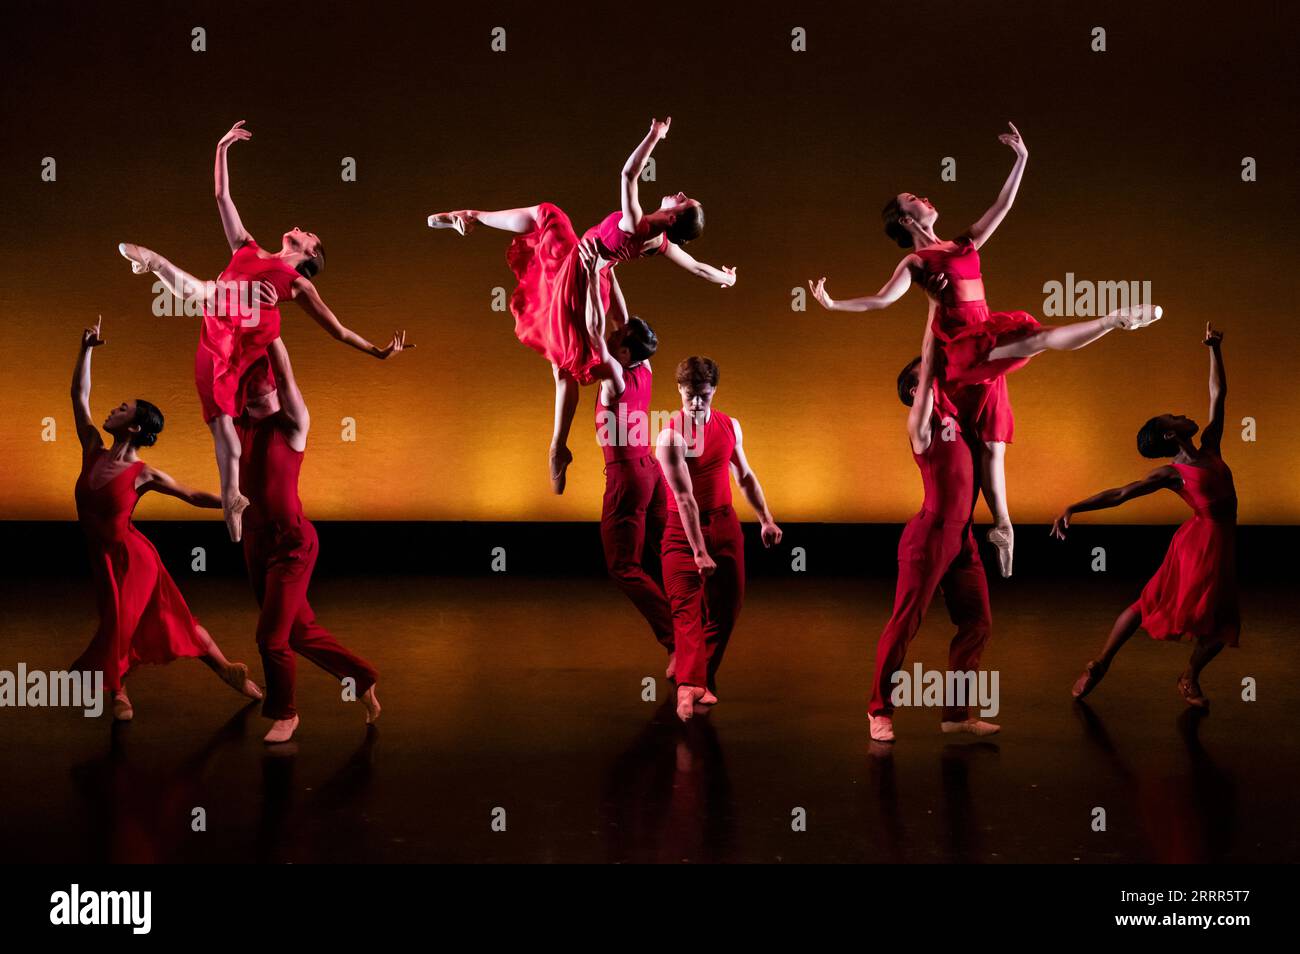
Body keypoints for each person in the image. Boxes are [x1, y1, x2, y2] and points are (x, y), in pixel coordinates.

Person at [809, 123, 1161, 576]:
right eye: (916, 197)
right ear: (903, 218)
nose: (927, 198)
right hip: (964, 348)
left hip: (987, 340)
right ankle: (1115, 319)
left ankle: (1003, 526)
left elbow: (1002, 206)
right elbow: (881, 299)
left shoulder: (962, 242)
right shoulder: (917, 262)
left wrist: (1021, 160)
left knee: (993, 445)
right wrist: (833, 303)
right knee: (1039, 337)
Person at [119, 120, 411, 542]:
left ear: (310, 253)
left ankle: (155, 263)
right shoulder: (248, 247)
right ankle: (234, 494)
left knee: (212, 302)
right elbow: (222, 196)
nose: (300, 226)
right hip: (221, 331)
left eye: (308, 233)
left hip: (251, 337)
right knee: (220, 415)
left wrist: (377, 352)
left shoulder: (298, 283)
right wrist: (222, 147)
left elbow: (337, 330)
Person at [429, 117, 736, 493]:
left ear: (674, 216)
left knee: (567, 362)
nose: (680, 192)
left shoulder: (636, 224)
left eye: (683, 200)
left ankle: (558, 448)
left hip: (582, 279)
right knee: (548, 214)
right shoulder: (657, 242)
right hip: (591, 269)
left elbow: (628, 174)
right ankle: (470, 216)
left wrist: (654, 136)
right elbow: (699, 269)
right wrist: (727, 277)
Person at [68, 317, 262, 721]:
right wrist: (86, 349)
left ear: (135, 427)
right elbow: (79, 396)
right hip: (102, 559)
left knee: (121, 624)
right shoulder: (93, 448)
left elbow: (190, 495)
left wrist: (233, 501)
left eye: (122, 409)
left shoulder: (143, 473)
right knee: (165, 622)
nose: (113, 409)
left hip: (133, 560)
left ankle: (120, 695)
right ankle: (225, 669)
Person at [1053, 324, 1238, 709]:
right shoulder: (1171, 474)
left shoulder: (1210, 445)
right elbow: (1121, 494)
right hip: (1197, 546)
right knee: (1148, 603)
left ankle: (1189, 677)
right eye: (1173, 417)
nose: (1182, 415)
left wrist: (1213, 350)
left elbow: (1218, 394)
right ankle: (1101, 662)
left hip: (1219, 543)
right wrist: (1075, 507)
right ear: (1170, 436)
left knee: (1221, 625)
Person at [868, 295, 999, 743]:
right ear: (914, 389)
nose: (934, 379)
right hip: (928, 536)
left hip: (962, 538)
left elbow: (949, 363)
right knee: (906, 623)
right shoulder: (920, 423)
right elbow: (929, 362)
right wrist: (932, 308)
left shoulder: (957, 422)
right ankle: (879, 710)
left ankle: (957, 713)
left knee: (977, 622)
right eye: (923, 380)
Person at [237, 338, 381, 743]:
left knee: (270, 638)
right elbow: (216, 381)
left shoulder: (293, 424)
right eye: (250, 398)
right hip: (255, 543)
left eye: (262, 397)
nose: (256, 403)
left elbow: (285, 373)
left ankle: (286, 714)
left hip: (293, 545)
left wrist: (273, 332)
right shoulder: (241, 423)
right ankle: (362, 677)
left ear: (275, 395)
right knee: (298, 632)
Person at [655, 356, 781, 722]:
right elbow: (684, 498)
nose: (696, 403)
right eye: (690, 395)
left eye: (703, 396)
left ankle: (698, 678)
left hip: (724, 524)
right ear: (680, 390)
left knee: (728, 606)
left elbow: (744, 476)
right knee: (686, 608)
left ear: (714, 392)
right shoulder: (669, 436)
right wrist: (698, 551)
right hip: (682, 530)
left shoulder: (730, 426)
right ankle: (687, 685)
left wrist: (766, 520)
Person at [583, 253, 675, 662]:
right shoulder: (645, 365)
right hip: (651, 473)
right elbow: (621, 318)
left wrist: (589, 275)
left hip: (628, 480)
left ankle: (674, 636)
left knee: (624, 566)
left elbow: (593, 329)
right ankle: (692, 620)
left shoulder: (614, 378)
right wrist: (612, 272)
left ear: (623, 353)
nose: (614, 336)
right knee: (663, 553)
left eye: (618, 340)